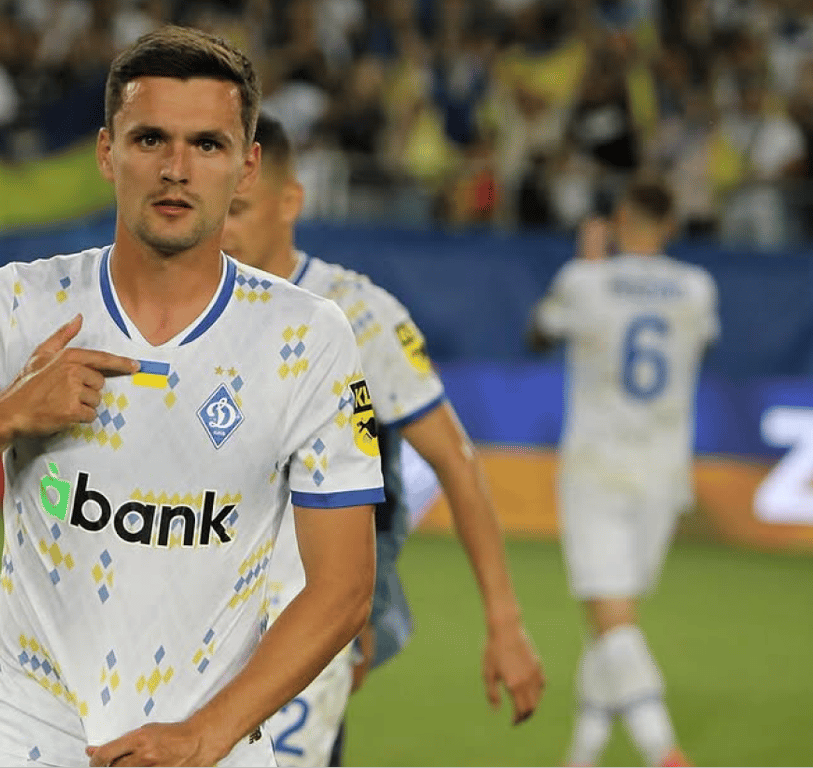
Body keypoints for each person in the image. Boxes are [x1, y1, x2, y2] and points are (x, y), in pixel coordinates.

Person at [0, 26, 386, 768]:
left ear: (247, 166)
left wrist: (206, 734)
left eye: (207, 145)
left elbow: (344, 589)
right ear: (106, 151)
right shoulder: (15, 306)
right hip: (25, 742)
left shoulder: (307, 337)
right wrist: (5, 417)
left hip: (210, 751)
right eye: (150, 139)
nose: (176, 170)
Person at [221, 115, 547, 768]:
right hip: (194, 612)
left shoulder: (357, 314)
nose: (220, 229)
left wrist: (504, 623)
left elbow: (455, 462)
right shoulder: (182, 306)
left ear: (290, 202)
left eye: (238, 210)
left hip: (305, 618)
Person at [526, 180, 718, 768]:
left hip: (597, 467)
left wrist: (591, 267)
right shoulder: (697, 287)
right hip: (664, 471)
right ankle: (583, 753)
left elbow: (537, 336)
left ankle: (663, 751)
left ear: (618, 220)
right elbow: (703, 349)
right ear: (670, 226)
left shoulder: (585, 281)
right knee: (613, 617)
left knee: (612, 623)